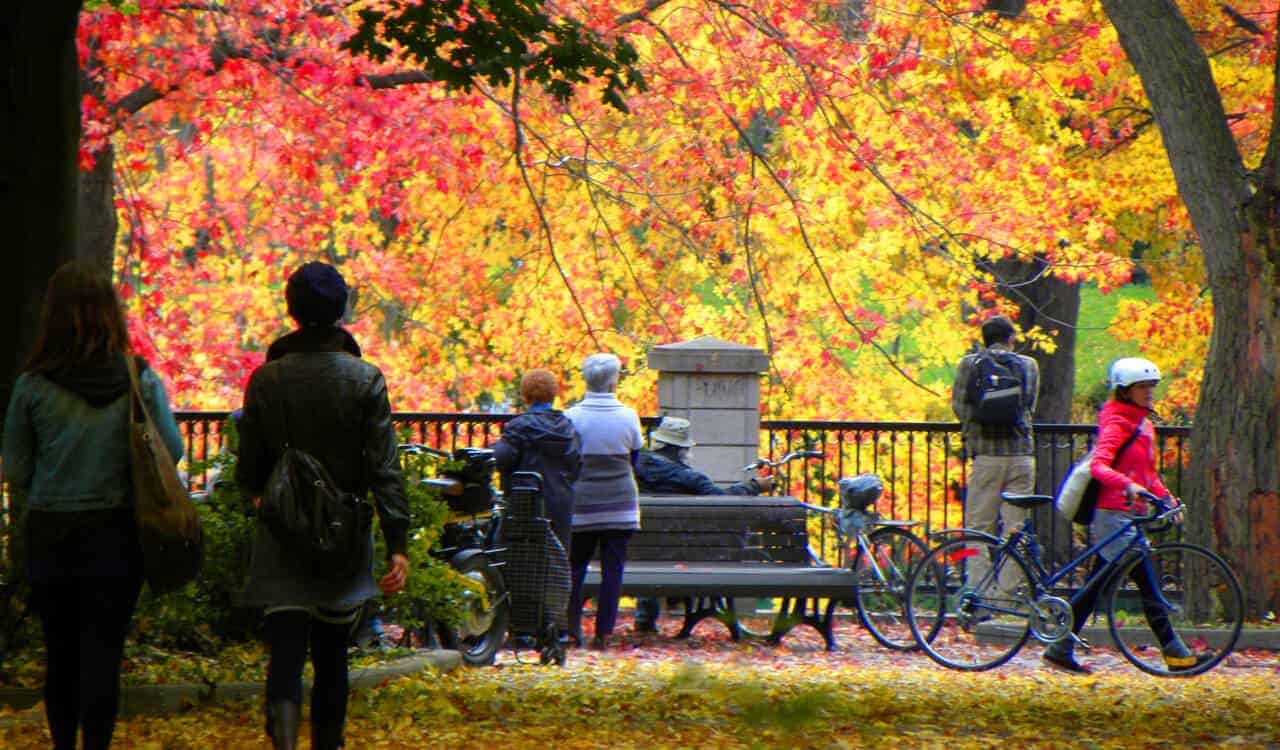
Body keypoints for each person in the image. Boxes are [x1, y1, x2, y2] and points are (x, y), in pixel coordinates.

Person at [2, 261, 184, 750]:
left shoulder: (32, 386)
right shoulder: (138, 380)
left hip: (52, 532)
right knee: (104, 653)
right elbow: (173, 450)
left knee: (60, 653)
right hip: (117, 532)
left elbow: (16, 468)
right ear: (112, 315)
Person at [235, 261, 410, 749]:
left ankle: (285, 743)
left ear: (291, 309)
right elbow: (385, 467)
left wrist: (266, 500)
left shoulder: (266, 380)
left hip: (282, 533)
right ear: (342, 311)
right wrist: (398, 543)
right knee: (334, 657)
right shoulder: (365, 380)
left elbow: (247, 469)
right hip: (344, 536)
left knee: (286, 657)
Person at [1042, 357, 1209, 674]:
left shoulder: (1143, 424)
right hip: (1112, 514)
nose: (1149, 392)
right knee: (1146, 585)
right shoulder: (1117, 422)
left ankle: (1060, 647)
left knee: (1096, 584)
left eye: (1151, 386)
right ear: (1124, 391)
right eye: (1142, 387)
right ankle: (1175, 653)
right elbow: (1099, 466)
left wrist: (1167, 499)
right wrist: (1127, 484)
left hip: (1128, 514)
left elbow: (1147, 474)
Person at [631, 416, 772, 632]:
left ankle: (645, 619)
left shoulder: (633, 467)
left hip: (634, 551)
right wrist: (754, 486)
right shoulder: (689, 478)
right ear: (681, 450)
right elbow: (721, 500)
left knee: (651, 545)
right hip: (679, 553)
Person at [951, 315, 1039, 593]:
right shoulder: (1029, 366)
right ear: (1011, 339)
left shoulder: (969, 364)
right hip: (1022, 456)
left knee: (978, 527)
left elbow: (960, 405)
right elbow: (1029, 405)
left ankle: (979, 593)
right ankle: (1008, 596)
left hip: (986, 456)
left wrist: (972, 434)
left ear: (984, 338)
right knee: (1016, 529)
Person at [564, 353, 643, 650]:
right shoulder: (628, 416)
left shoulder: (572, 417)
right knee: (613, 570)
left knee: (575, 566)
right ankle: (604, 632)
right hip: (621, 502)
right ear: (614, 381)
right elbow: (634, 457)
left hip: (582, 503)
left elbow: (568, 460)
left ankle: (571, 628)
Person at [490, 369, 582, 552]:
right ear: (554, 394)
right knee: (557, 558)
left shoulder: (519, 426)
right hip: (560, 503)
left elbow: (501, 460)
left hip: (525, 503)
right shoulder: (568, 428)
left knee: (521, 559)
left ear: (525, 395)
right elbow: (576, 465)